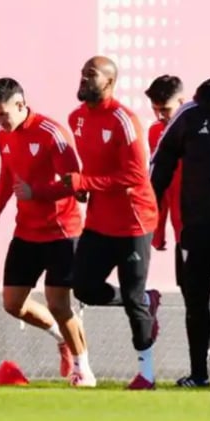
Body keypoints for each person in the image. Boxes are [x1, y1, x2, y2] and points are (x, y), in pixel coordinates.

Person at [28, 56, 161, 389]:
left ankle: (146, 373)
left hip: (134, 222)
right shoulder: (77, 119)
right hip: (100, 222)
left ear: (110, 82)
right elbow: (88, 170)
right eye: (82, 73)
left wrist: (85, 184)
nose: (84, 79)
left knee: (133, 299)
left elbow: (134, 175)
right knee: (83, 287)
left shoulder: (124, 120)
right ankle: (144, 299)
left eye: (91, 75)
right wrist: (82, 185)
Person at [145, 74, 210, 386]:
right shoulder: (159, 133)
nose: (160, 117)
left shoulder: (209, 126)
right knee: (193, 296)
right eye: (156, 110)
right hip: (185, 230)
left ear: (184, 103)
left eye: (165, 109)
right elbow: (161, 183)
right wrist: (159, 227)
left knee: (203, 295)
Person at [0, 78, 91, 384]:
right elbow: (8, 174)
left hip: (61, 232)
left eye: (4, 114)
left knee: (58, 303)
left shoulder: (50, 133)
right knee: (12, 304)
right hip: (26, 232)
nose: (1, 122)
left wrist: (38, 192)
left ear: (21, 104)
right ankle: (62, 336)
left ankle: (83, 369)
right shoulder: (3, 138)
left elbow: (76, 182)